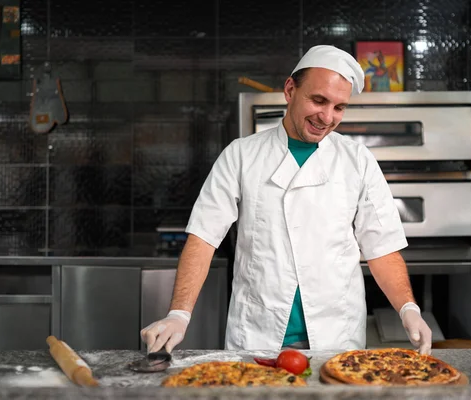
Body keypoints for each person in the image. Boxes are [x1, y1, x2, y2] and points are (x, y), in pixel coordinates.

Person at [140, 45, 432, 355]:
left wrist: (408, 308)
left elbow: (382, 248)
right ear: (290, 90)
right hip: (258, 334)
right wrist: (179, 314)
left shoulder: (357, 161)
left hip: (336, 336)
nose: (327, 116)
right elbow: (203, 238)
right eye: (318, 100)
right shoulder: (241, 156)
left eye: (339, 107)